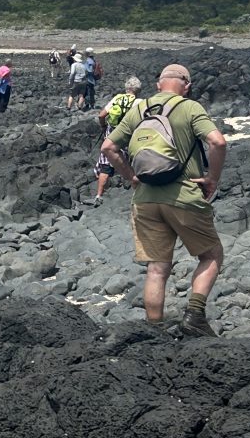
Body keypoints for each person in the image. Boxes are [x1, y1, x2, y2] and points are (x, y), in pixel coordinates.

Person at [101, 64, 227, 337]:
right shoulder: (190, 107)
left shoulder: (138, 108)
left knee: (157, 269)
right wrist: (211, 178)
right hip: (184, 196)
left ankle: (154, 331)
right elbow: (217, 142)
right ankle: (194, 315)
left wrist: (131, 176)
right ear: (187, 85)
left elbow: (109, 148)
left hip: (145, 199)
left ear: (158, 85)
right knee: (211, 254)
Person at [92, 76, 143, 205]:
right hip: (128, 135)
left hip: (111, 133)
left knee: (106, 164)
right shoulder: (139, 102)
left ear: (127, 88)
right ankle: (138, 193)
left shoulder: (117, 98)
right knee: (131, 164)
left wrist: (104, 126)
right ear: (138, 90)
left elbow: (101, 115)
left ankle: (99, 195)